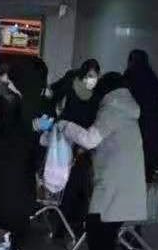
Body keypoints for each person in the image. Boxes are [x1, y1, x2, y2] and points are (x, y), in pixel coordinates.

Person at [56, 72, 147, 250]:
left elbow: (90, 139)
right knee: (106, 231)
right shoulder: (126, 111)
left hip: (113, 181)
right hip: (125, 180)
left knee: (97, 228)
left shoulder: (112, 110)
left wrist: (65, 125)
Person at [0, 58, 50, 250]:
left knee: (15, 218)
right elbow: (15, 133)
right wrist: (34, 128)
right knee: (10, 218)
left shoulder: (23, 99)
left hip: (16, 170)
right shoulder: (13, 100)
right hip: (11, 170)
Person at [49, 59, 101, 237]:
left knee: (80, 183)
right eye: (90, 75)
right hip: (66, 138)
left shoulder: (96, 94)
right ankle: (62, 224)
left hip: (84, 143)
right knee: (67, 182)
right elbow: (54, 94)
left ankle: (74, 223)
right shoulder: (71, 83)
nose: (92, 79)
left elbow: (94, 118)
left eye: (95, 76)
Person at [124, 49, 158, 181]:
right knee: (145, 175)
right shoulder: (155, 82)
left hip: (132, 133)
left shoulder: (129, 79)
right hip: (152, 135)